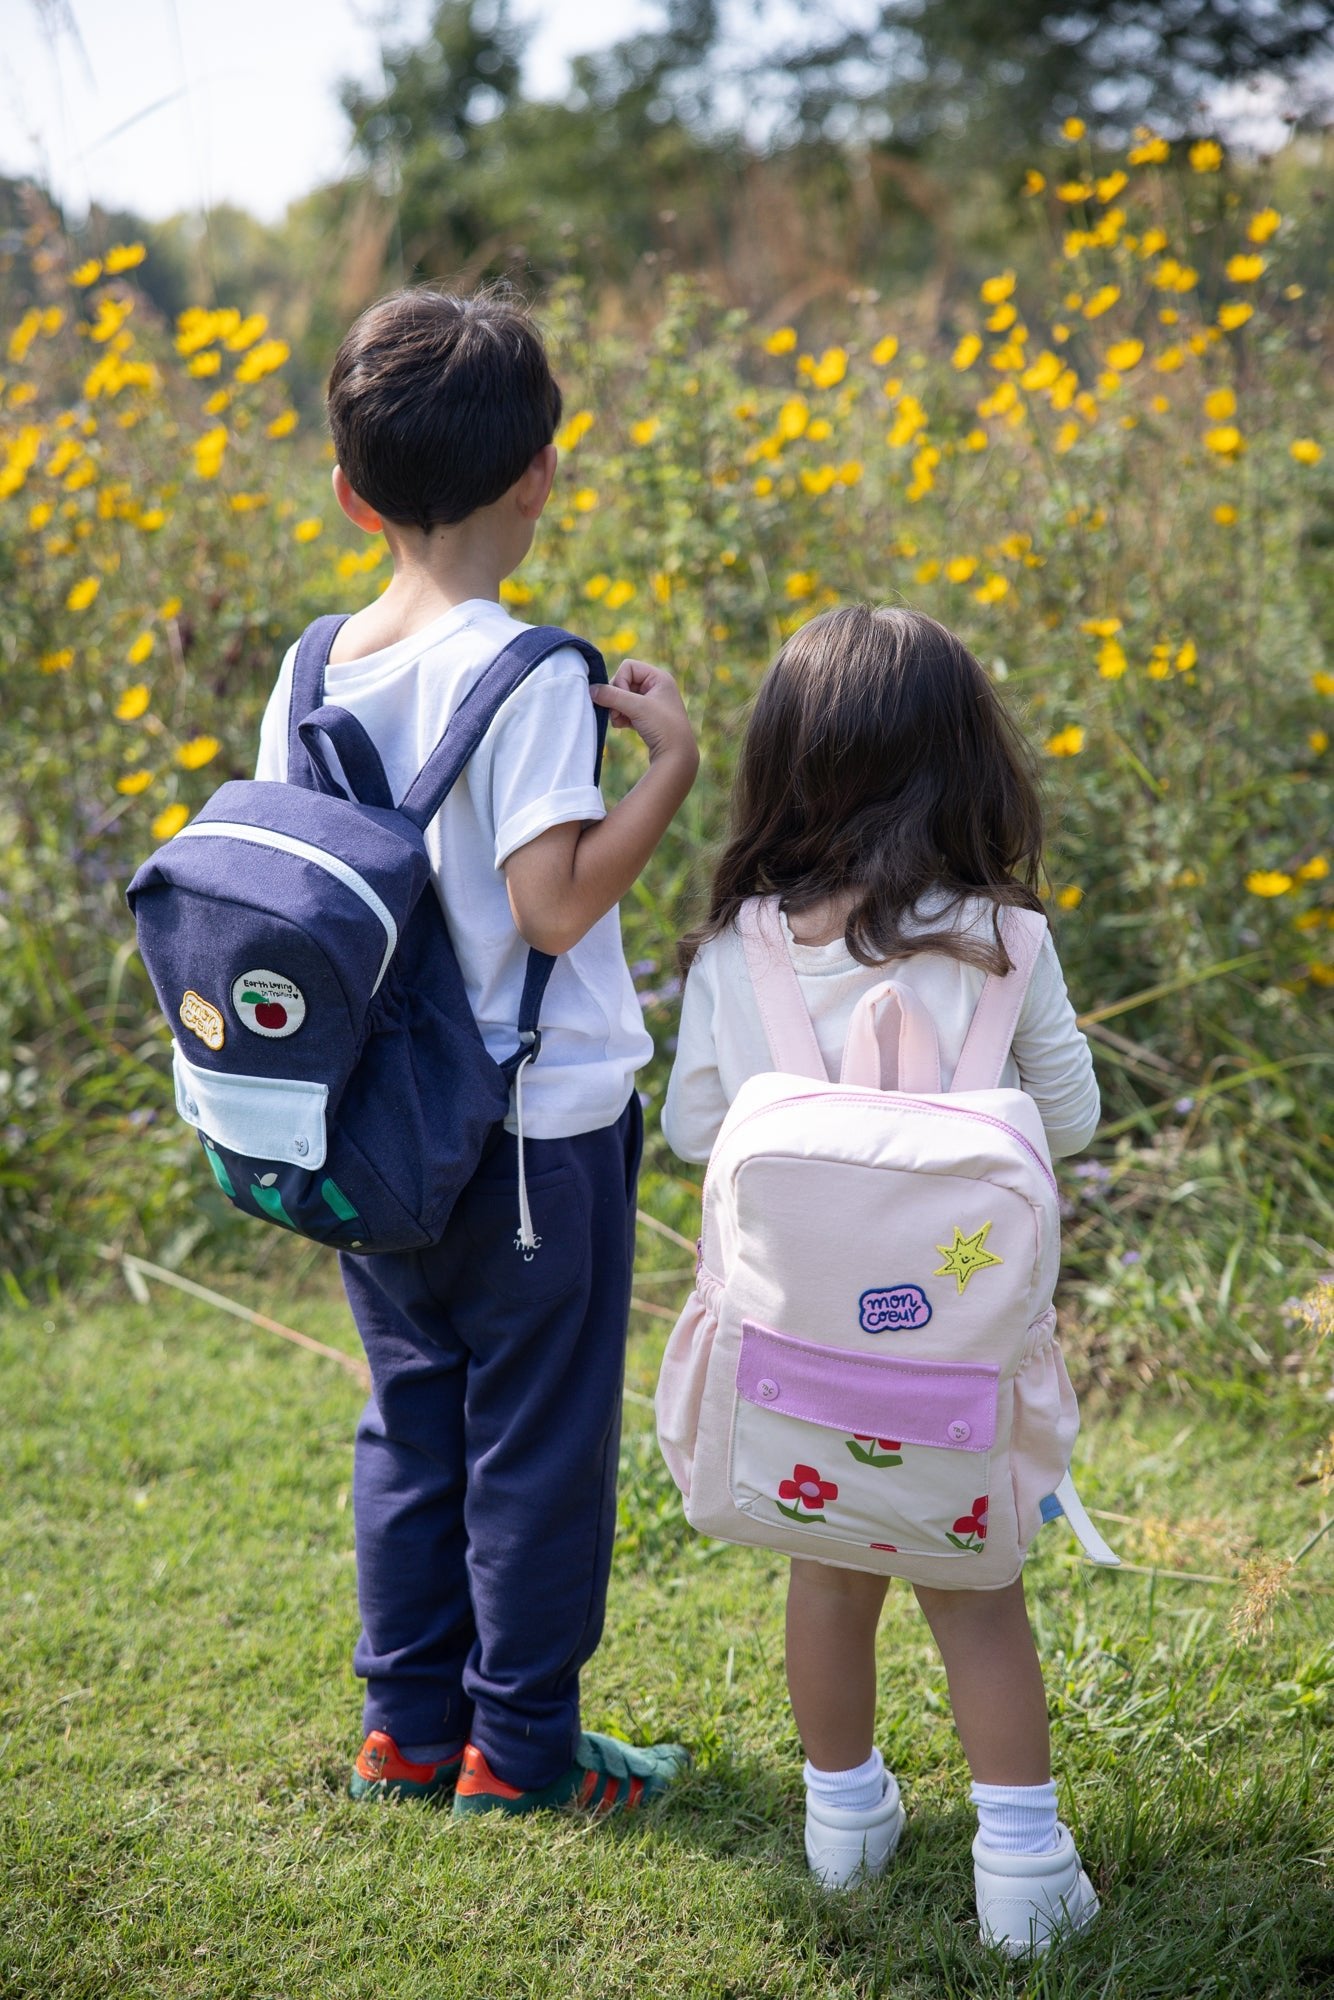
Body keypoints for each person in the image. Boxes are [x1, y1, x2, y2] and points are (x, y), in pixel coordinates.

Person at [254, 285, 698, 1815]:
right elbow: (554, 908)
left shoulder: (312, 668)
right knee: (537, 1448)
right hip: (534, 1135)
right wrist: (674, 767)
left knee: (414, 1424)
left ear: (350, 492)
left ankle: (404, 1734)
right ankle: (518, 1757)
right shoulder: (524, 675)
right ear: (539, 473)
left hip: (366, 1135)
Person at [662, 604, 1102, 1951]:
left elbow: (691, 1129)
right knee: (976, 1599)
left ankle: (842, 1820)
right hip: (956, 1379)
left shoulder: (744, 942)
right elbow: (1070, 1121)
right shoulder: (1002, 940)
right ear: (965, 759)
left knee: (825, 1573)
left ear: (780, 762)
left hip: (796, 1370)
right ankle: (1021, 1867)